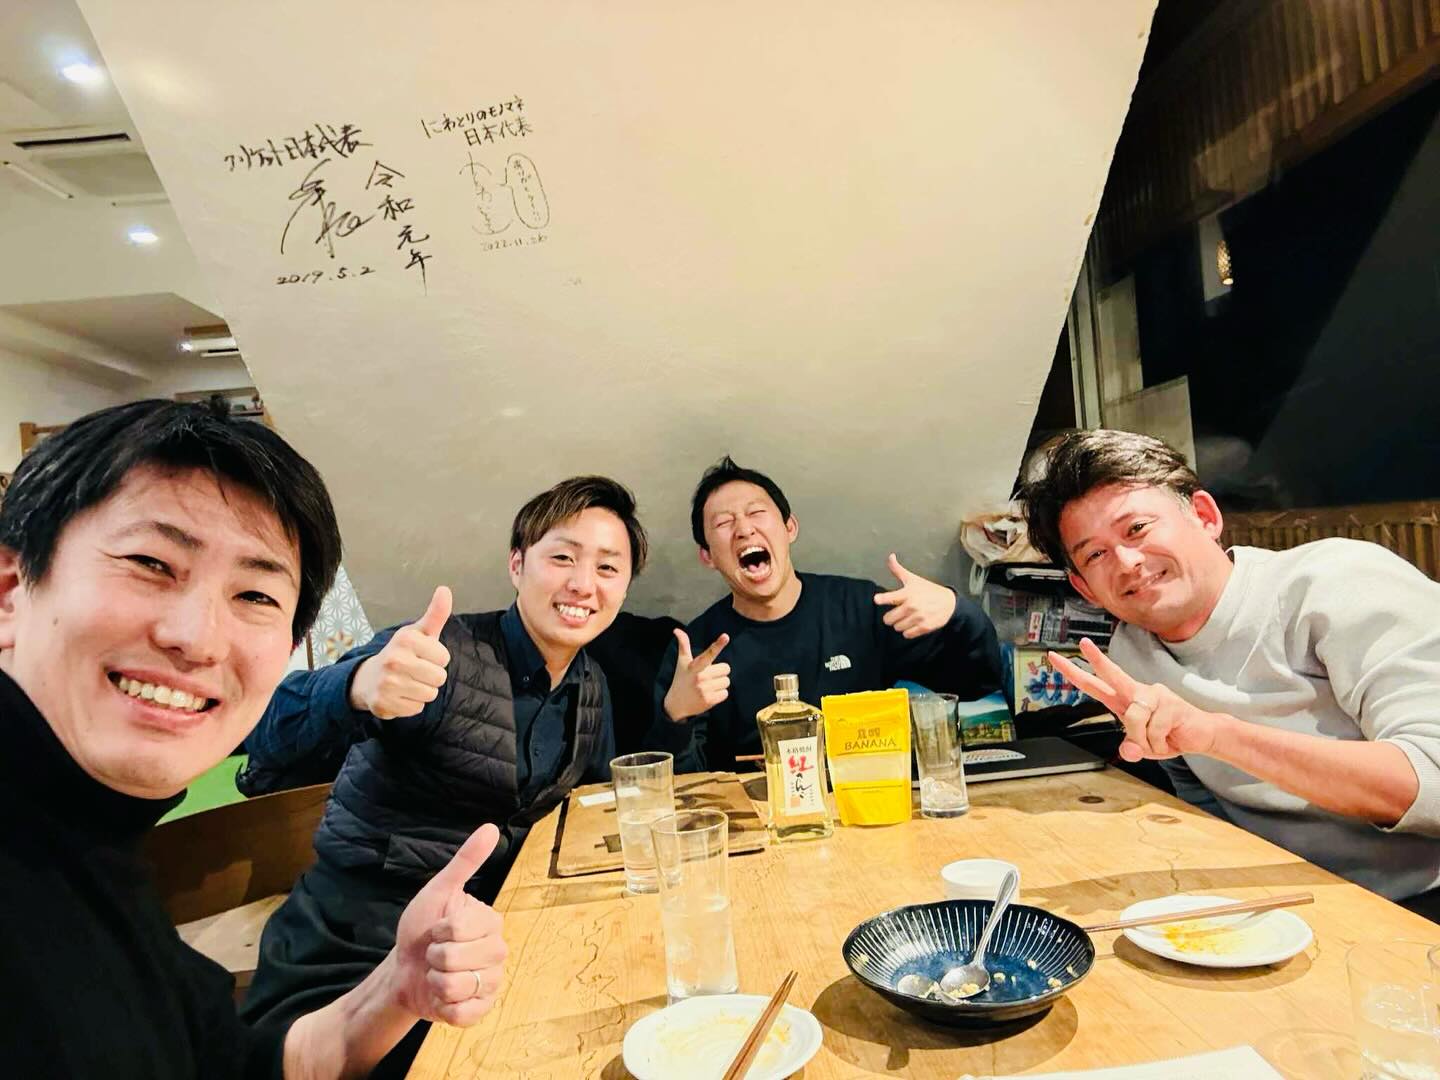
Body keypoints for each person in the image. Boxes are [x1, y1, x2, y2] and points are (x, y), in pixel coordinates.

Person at [0, 400, 507, 1079]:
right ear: (10, 591)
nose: (198, 638)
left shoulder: (98, 850)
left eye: (255, 597)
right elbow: (288, 726)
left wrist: (398, 988)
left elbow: (241, 1066)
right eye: (151, 563)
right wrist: (361, 685)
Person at [242, 476, 646, 1042]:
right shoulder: (441, 654)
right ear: (517, 565)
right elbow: (264, 727)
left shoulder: (590, 684)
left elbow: (594, 804)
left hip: (486, 943)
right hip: (361, 939)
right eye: (563, 558)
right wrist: (357, 686)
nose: (583, 584)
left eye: (607, 568)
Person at [1017, 428, 1440, 912]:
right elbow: (1200, 797)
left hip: (1421, 897)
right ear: (1084, 588)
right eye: (1095, 554)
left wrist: (1215, 734)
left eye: (1137, 529)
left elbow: (1432, 783)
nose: (1128, 562)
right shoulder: (1132, 653)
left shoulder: (1338, 585)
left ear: (1204, 516)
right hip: (1283, 900)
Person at [653, 456, 1003, 770]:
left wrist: (957, 611)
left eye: (756, 513)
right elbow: (681, 790)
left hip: (864, 799)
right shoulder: (696, 652)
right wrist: (676, 718)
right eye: (723, 523)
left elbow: (977, 683)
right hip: (756, 814)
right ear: (708, 556)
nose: (744, 529)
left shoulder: (860, 608)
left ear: (790, 528)